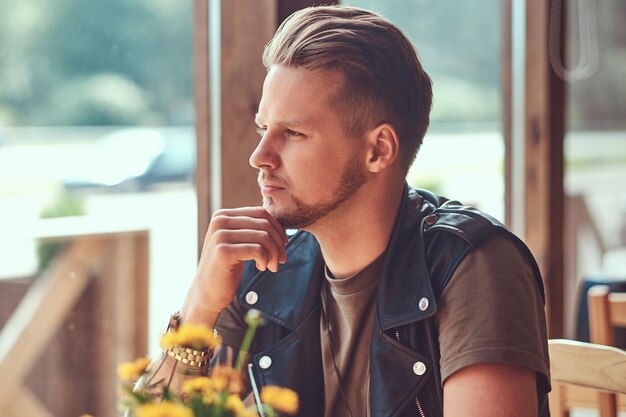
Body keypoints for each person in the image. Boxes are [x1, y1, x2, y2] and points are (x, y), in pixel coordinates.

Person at [142, 5, 550, 417]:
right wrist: (198, 307)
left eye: (294, 133)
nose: (259, 156)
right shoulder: (261, 270)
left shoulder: (472, 266)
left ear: (378, 150)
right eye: (264, 129)